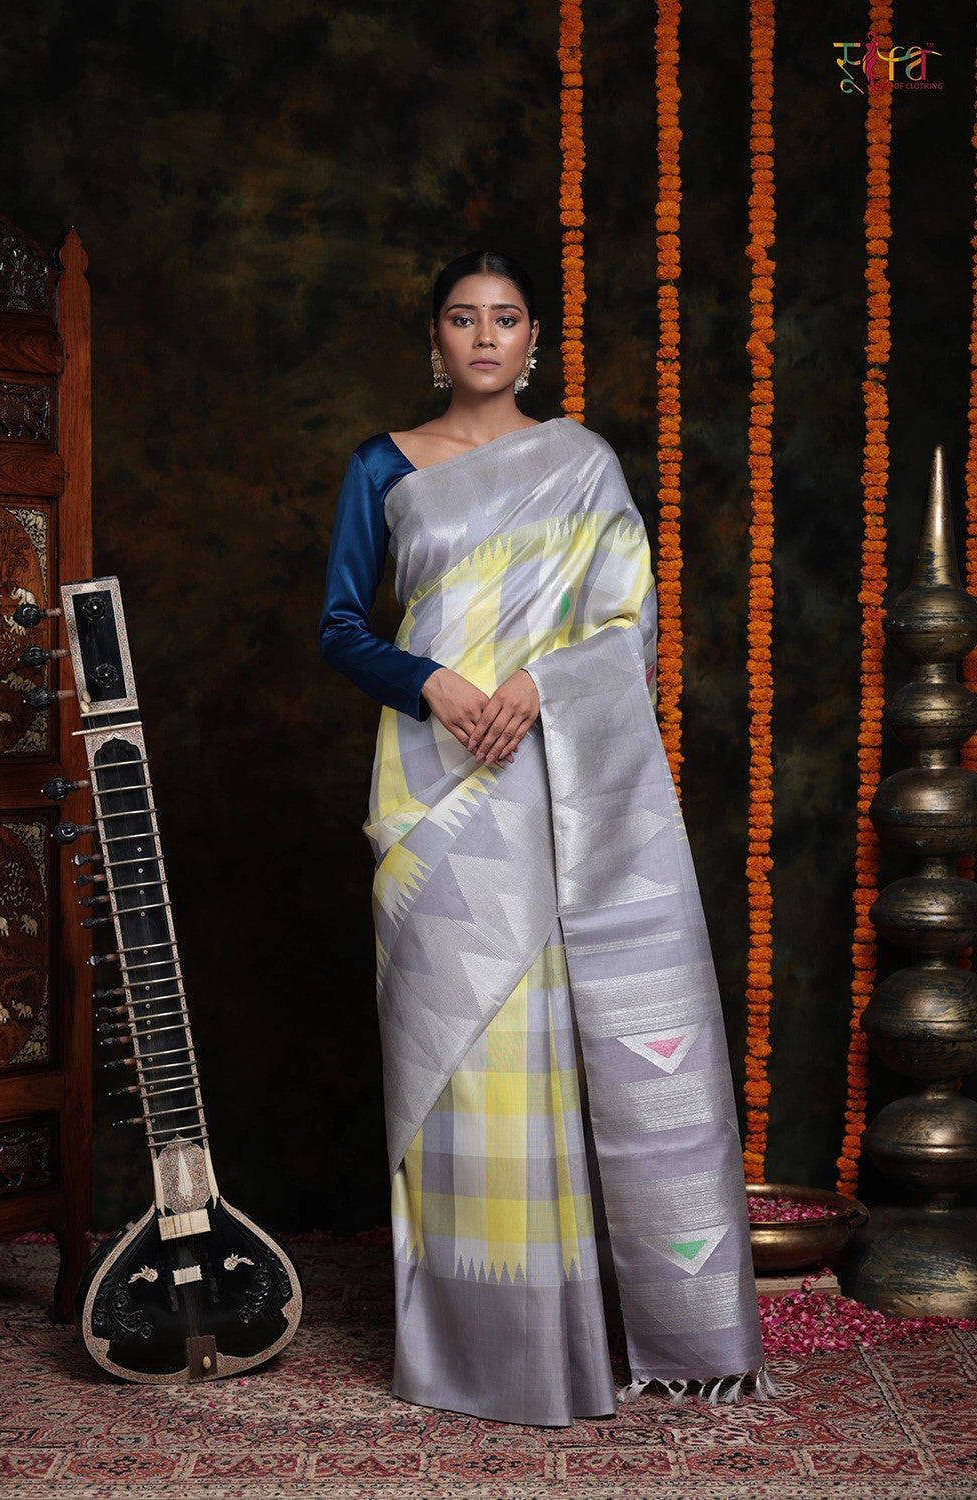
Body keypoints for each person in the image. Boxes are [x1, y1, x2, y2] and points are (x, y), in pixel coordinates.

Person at [319, 251, 769, 1426]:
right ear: (435, 340)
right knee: (451, 1051)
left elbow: (625, 620)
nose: (484, 337)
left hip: (543, 772)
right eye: (462, 319)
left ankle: (568, 1334)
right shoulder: (382, 467)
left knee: (542, 1045)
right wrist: (432, 683)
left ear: (533, 340)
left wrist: (531, 685)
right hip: (432, 781)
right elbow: (340, 626)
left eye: (505, 318)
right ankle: (465, 1344)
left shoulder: (581, 464)